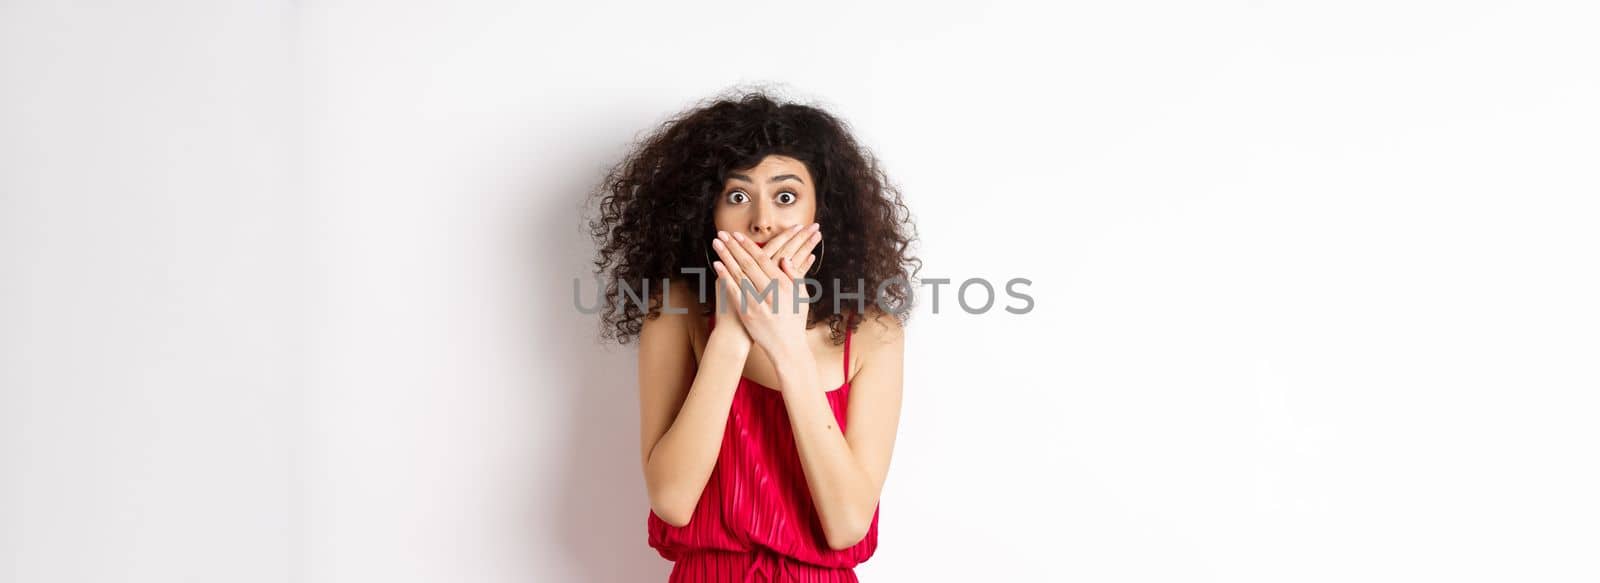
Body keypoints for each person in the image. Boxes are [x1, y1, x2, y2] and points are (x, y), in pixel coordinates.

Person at [587, 88, 920, 582]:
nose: (762, 221)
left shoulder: (873, 333)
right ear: (709, 212)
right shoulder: (676, 310)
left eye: (786, 197)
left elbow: (848, 524)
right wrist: (733, 332)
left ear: (820, 211)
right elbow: (674, 503)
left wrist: (786, 347)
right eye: (737, 196)